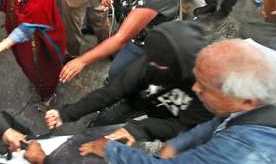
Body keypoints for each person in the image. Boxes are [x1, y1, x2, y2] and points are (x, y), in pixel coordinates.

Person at [79, 39, 276, 164]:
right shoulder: (255, 92)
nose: (195, 89)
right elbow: (221, 118)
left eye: (205, 87)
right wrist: (178, 144)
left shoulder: (246, 151)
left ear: (248, 102)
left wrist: (110, 150)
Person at [45, 21, 212, 144]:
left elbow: (182, 126)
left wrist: (140, 129)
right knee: (106, 121)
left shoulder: (210, 90)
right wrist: (67, 113)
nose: (150, 65)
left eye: (158, 64)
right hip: (138, 100)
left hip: (168, 118)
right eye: (149, 58)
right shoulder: (153, 61)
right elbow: (114, 90)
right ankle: (95, 129)